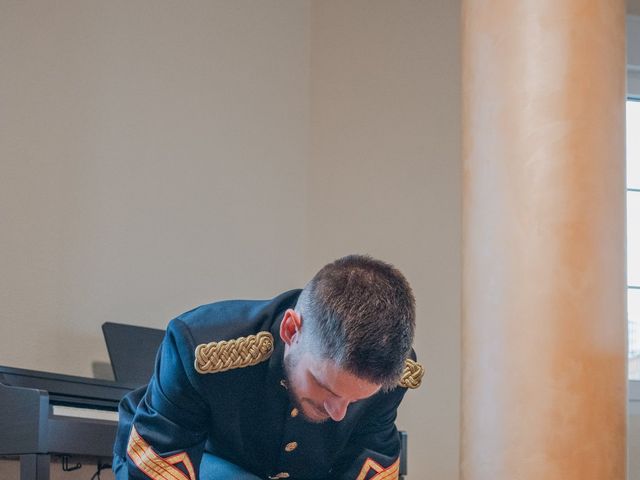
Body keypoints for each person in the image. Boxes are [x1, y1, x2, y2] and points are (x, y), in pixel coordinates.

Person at [112, 254, 424, 480]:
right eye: (325, 387)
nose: (339, 412)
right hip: (204, 459)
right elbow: (163, 460)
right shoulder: (201, 346)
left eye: (355, 400)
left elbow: (370, 457)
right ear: (291, 331)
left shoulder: (389, 372)